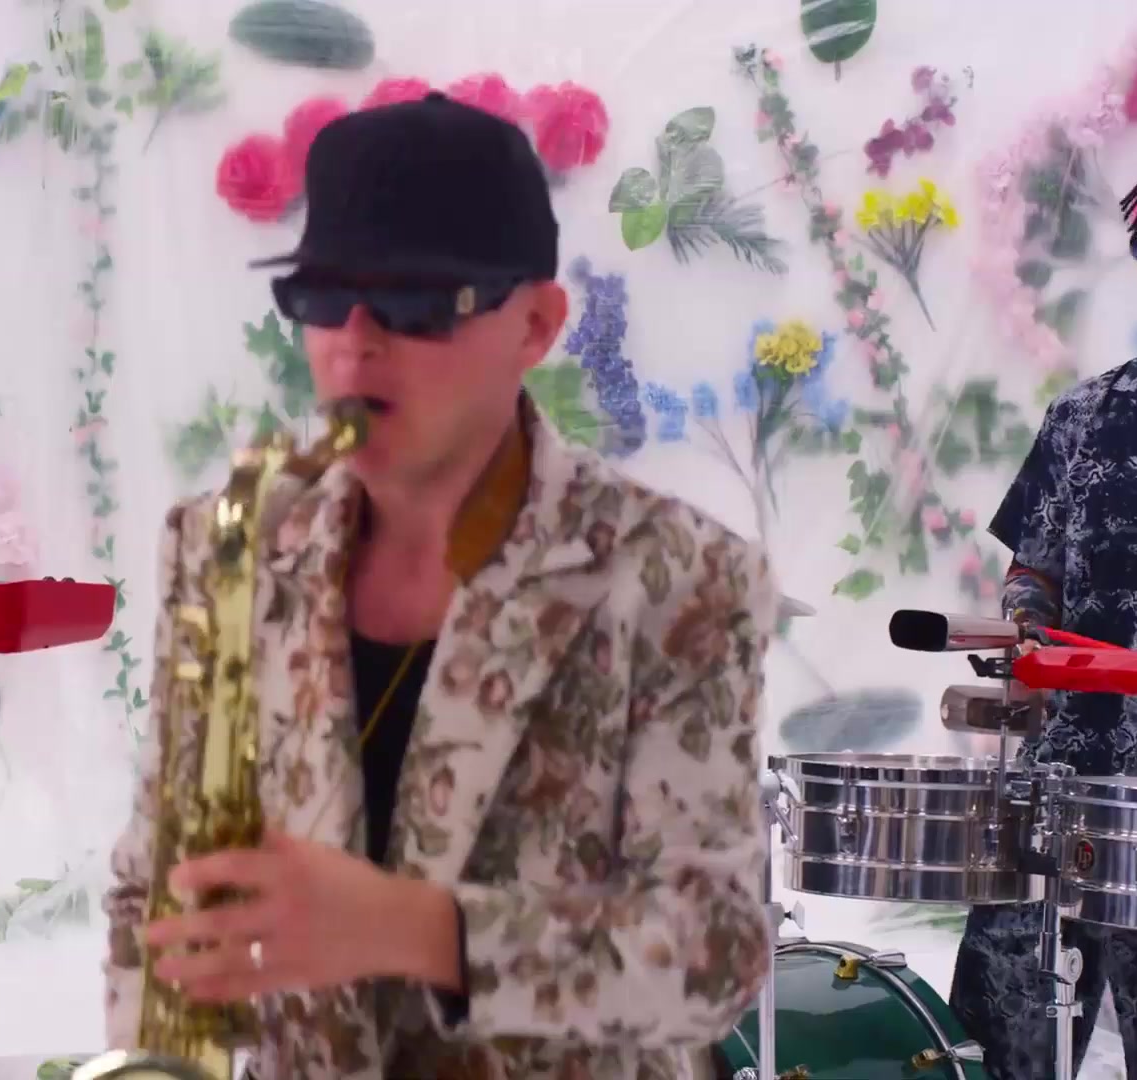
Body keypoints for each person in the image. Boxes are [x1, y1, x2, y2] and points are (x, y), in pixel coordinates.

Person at [97, 92, 777, 1079]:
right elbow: (152, 887)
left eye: (414, 302)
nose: (353, 344)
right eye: (321, 299)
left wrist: (416, 931)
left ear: (537, 323)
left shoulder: (683, 573)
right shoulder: (223, 544)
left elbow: (714, 953)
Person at [949, 157, 1137, 1079]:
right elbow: (1034, 570)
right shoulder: (1082, 416)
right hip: (1064, 791)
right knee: (1000, 1048)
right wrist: (1028, 626)